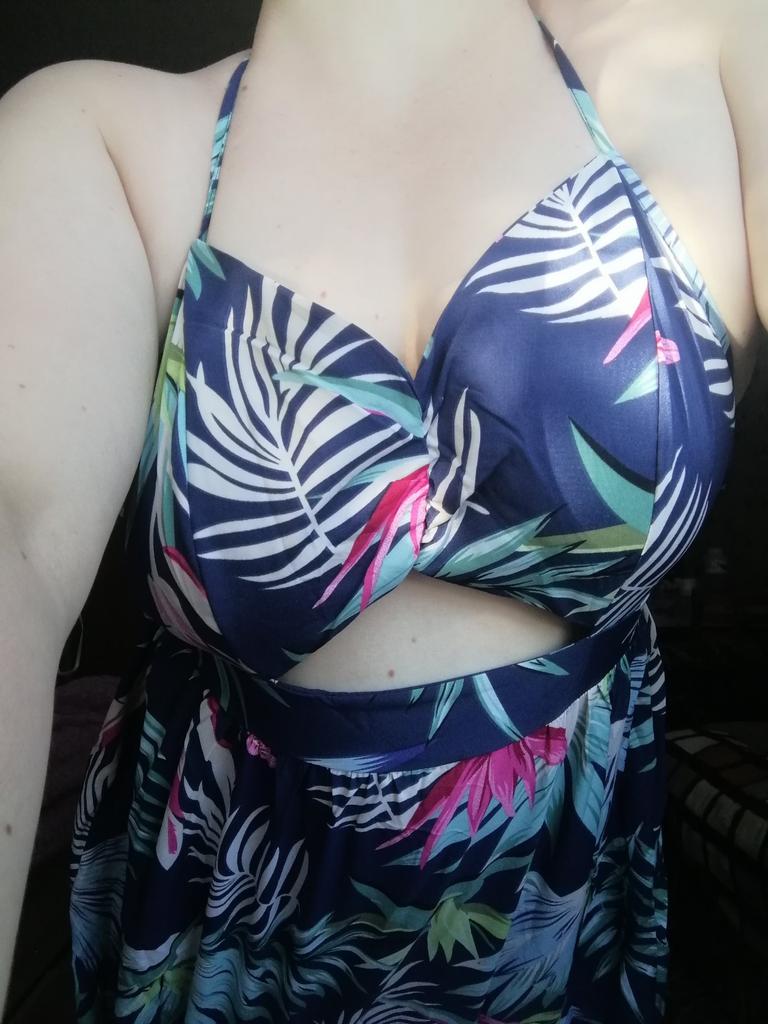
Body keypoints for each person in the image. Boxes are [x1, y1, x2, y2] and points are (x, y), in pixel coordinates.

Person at [0, 0, 764, 1020]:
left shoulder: (711, 45)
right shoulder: (99, 139)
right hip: (241, 931)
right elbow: (15, 526)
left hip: (562, 918)